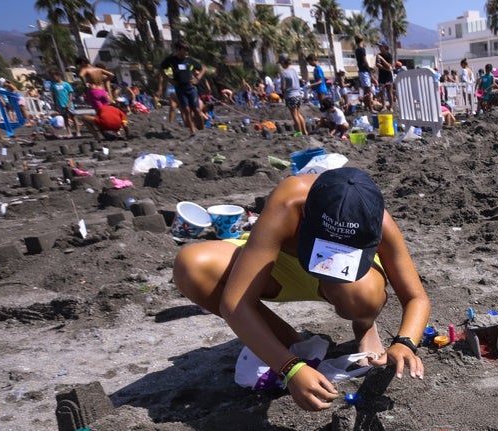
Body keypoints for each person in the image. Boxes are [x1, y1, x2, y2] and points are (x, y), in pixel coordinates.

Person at [172, 167, 430, 411]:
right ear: (306, 214)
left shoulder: (375, 219)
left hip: (343, 283)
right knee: (191, 267)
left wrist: (405, 343)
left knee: (362, 297)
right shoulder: (288, 202)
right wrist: (290, 367)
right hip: (280, 266)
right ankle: (291, 344)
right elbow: (235, 303)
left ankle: (363, 324)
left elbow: (416, 296)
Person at [159, 41, 205, 136]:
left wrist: (198, 78)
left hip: (191, 88)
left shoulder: (189, 60)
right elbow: (160, 68)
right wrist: (169, 79)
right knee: (186, 110)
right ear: (178, 50)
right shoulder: (171, 60)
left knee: (196, 110)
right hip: (180, 88)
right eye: (185, 50)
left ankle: (202, 128)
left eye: (187, 50)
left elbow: (203, 68)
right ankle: (192, 130)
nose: (187, 52)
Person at [277, 54, 307, 135]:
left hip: (290, 95)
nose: (281, 65)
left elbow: (283, 87)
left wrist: (282, 91)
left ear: (283, 62)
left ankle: (299, 132)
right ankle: (305, 131)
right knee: (298, 113)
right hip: (298, 94)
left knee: (294, 114)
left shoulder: (284, 73)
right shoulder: (294, 70)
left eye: (281, 63)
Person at [49, 69, 77, 137]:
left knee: (73, 118)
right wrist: (55, 105)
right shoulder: (53, 85)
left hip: (68, 104)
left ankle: (78, 132)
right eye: (52, 77)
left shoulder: (66, 84)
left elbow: (71, 94)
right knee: (65, 119)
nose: (53, 78)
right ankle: (69, 133)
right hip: (60, 104)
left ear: (58, 76)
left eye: (54, 76)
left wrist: (69, 103)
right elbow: (54, 96)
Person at [353, 36, 375, 113]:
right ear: (362, 40)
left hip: (361, 71)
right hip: (364, 71)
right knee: (368, 91)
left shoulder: (356, 50)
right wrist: (369, 70)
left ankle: (366, 106)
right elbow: (365, 61)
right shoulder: (362, 49)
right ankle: (370, 108)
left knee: (366, 91)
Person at [376, 42, 396, 110]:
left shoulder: (389, 55)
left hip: (388, 76)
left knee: (389, 91)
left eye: (381, 46)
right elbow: (378, 65)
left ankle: (391, 106)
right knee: (382, 91)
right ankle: (384, 106)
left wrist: (382, 59)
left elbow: (389, 66)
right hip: (381, 75)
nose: (379, 48)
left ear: (385, 47)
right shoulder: (378, 55)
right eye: (379, 46)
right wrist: (386, 68)